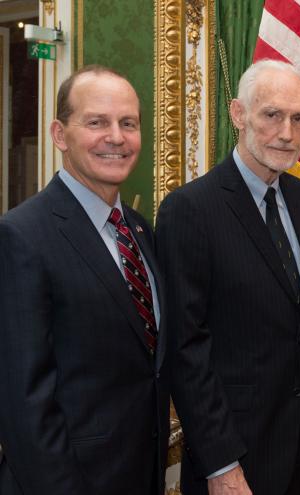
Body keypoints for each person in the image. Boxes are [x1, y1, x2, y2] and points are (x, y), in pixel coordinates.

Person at [155, 59, 300, 495]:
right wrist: (220, 462)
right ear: (238, 114)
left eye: (299, 118)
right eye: (272, 114)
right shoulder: (189, 210)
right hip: (236, 458)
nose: (286, 132)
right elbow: (185, 351)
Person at [0, 65, 169, 494]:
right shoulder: (21, 235)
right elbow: (24, 402)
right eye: (97, 122)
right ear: (60, 135)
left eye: (128, 123)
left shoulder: (138, 229)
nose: (116, 136)